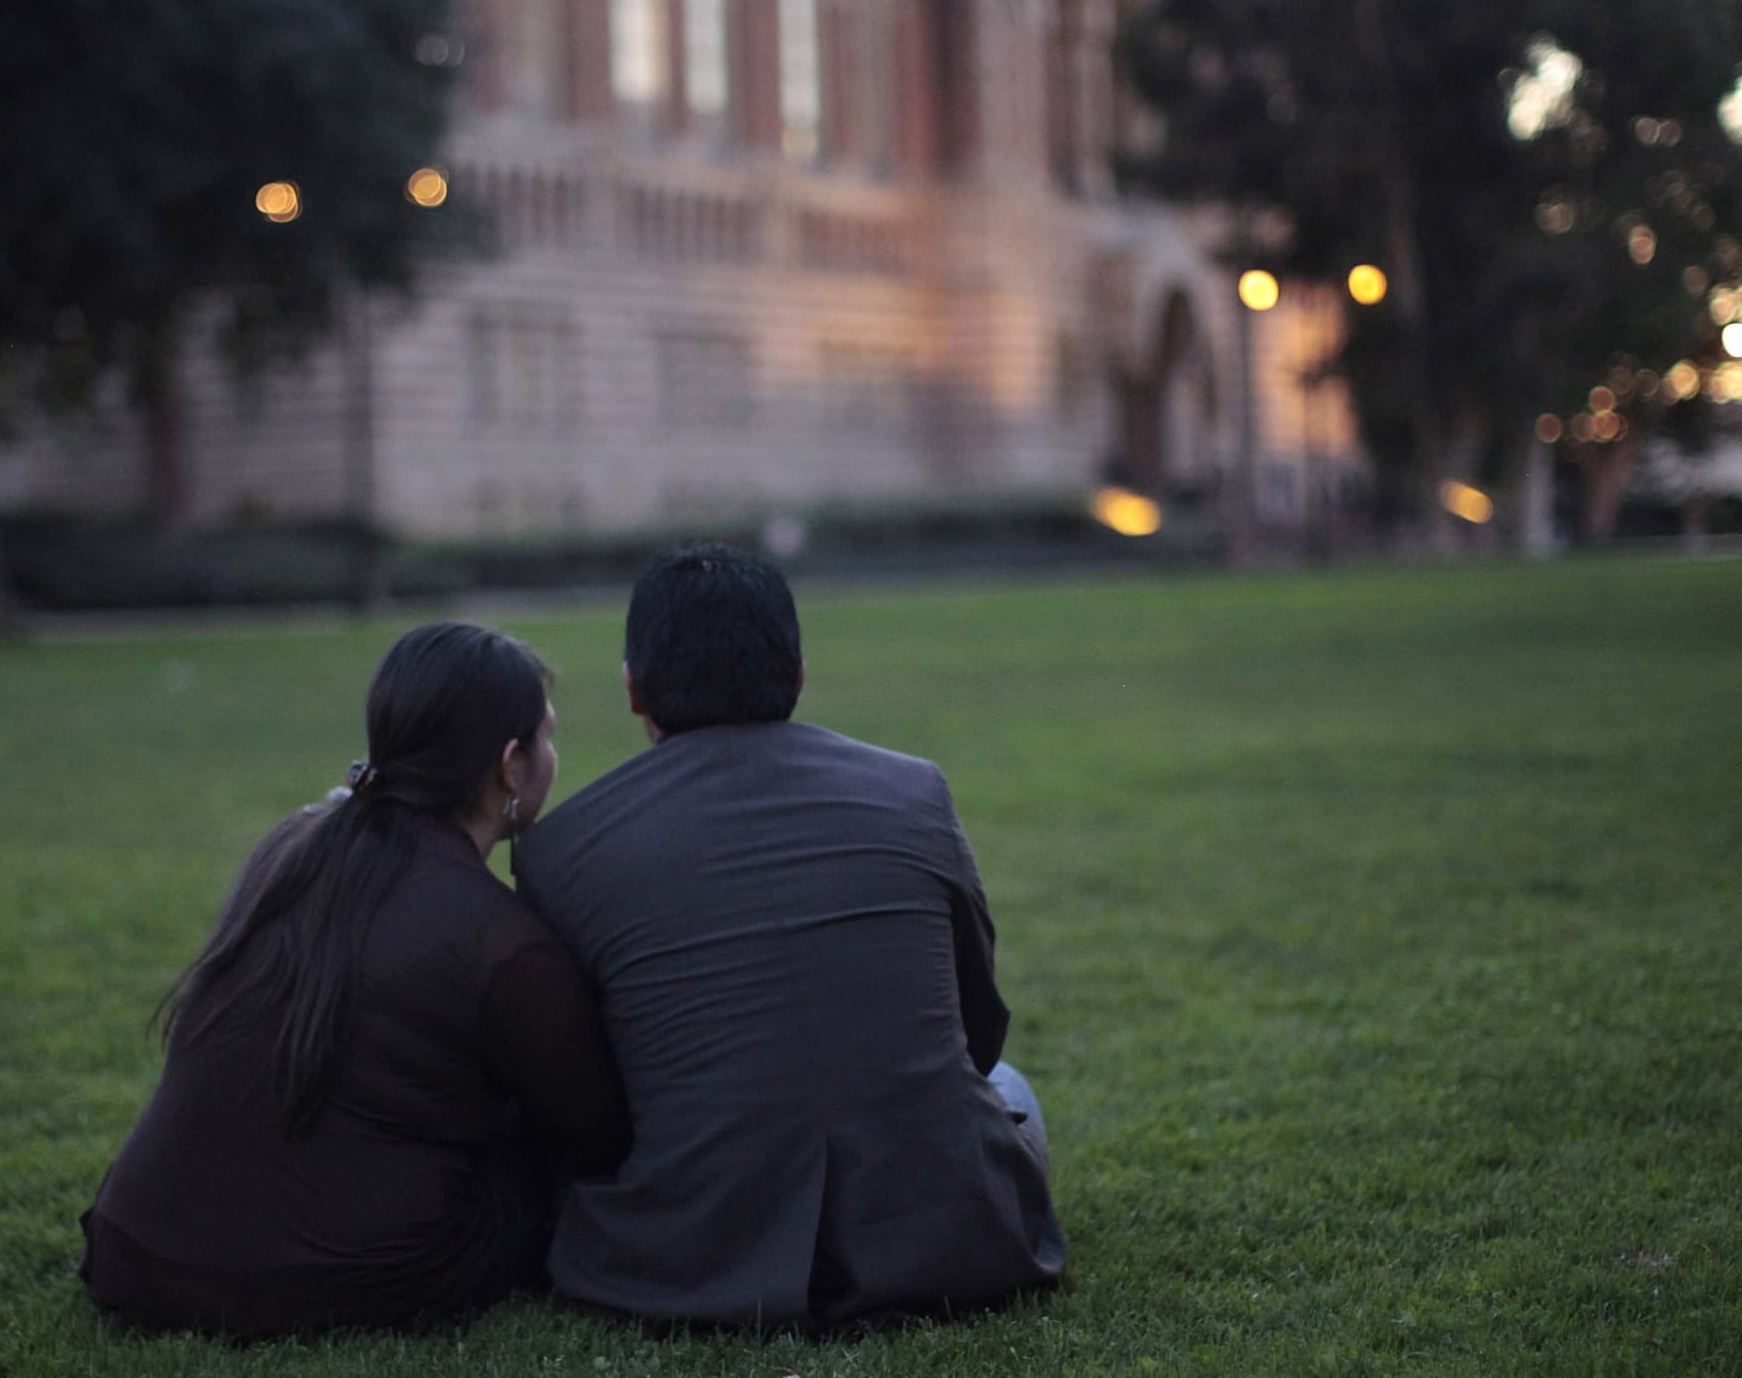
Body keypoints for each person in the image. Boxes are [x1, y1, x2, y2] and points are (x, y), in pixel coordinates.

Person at [511, 544, 1066, 1333]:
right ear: (798, 672)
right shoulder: (914, 791)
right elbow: (977, 1039)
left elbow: (591, 1106)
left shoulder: (560, 851)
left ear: (633, 686)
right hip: (945, 1240)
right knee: (1012, 1088)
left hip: (692, 1252)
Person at [79, 622, 631, 1338]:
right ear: (510, 765)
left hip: (136, 1256)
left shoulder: (288, 845)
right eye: (545, 737)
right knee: (538, 1175)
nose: (550, 755)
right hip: (324, 1284)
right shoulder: (499, 938)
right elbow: (595, 1135)